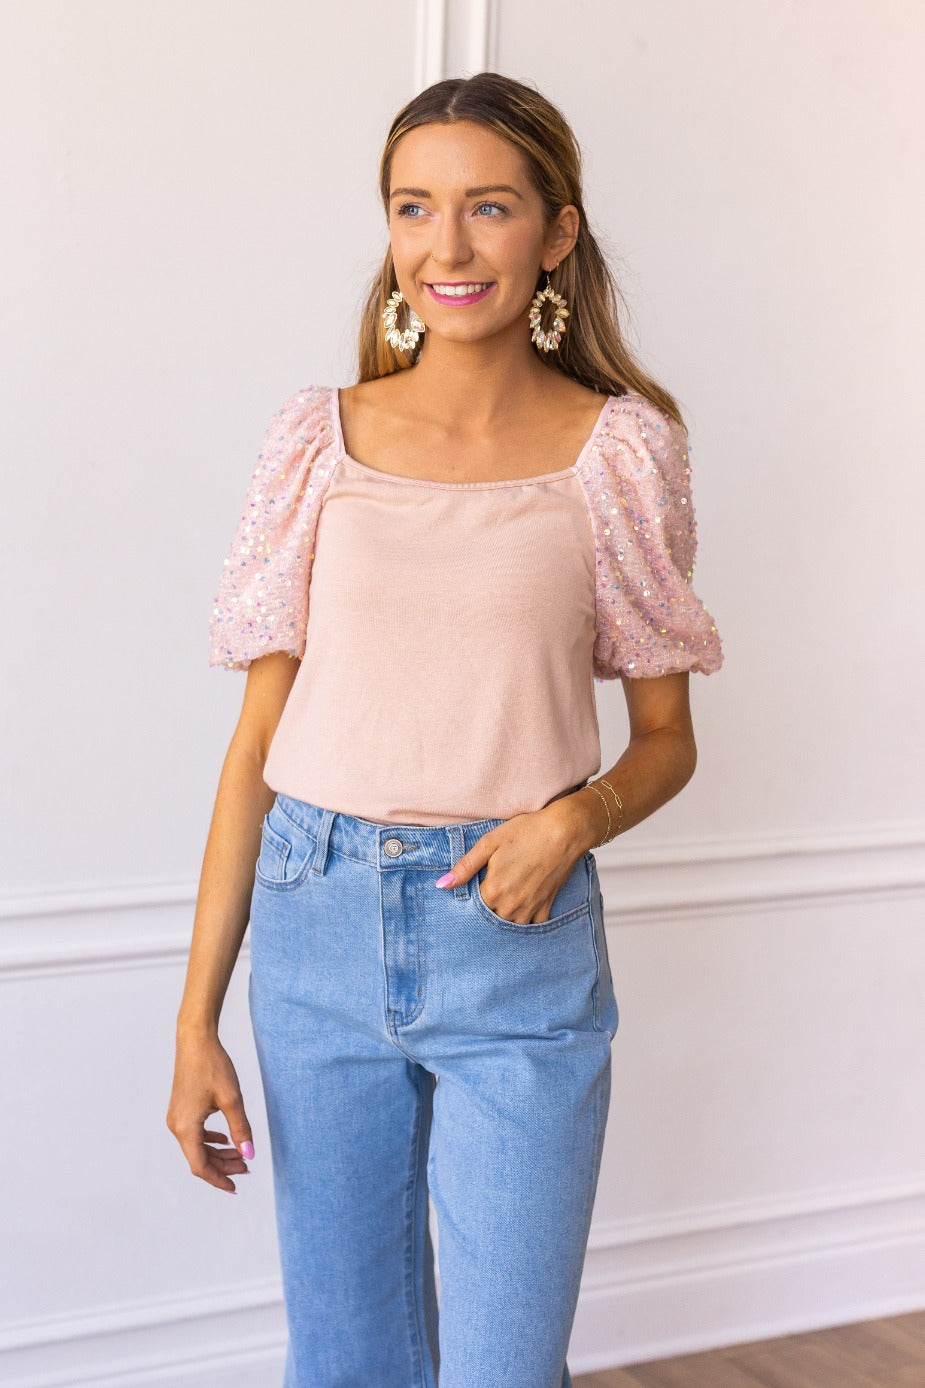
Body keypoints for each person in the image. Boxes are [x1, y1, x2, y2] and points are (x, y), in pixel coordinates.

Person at [166, 71, 723, 1388]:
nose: (446, 245)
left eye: (489, 206)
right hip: (313, 924)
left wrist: (569, 823)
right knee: (346, 1361)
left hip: (515, 936)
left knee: (503, 1369)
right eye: (413, 207)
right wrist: (195, 1023)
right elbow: (253, 752)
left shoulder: (620, 453)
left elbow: (666, 739)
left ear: (557, 232)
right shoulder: (317, 441)